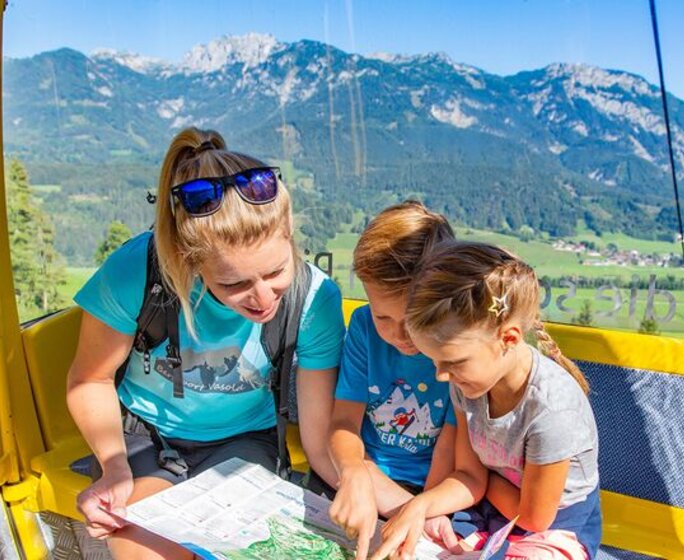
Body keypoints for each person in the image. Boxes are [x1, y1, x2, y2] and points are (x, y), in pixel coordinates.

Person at [66, 127, 345, 559]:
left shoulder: (312, 299)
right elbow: (91, 379)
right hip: (147, 438)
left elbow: (318, 439)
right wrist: (113, 465)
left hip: (245, 440)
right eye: (234, 284)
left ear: (290, 235)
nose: (263, 298)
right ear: (188, 261)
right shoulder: (135, 273)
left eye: (276, 272)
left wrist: (376, 498)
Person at [373, 241, 601, 560]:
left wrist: (482, 481)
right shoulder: (467, 385)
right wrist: (419, 506)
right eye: (435, 361)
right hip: (488, 513)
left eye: (454, 361)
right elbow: (468, 475)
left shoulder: (552, 409)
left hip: (553, 527)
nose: (441, 375)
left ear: (508, 338)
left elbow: (534, 517)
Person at [328, 201, 460, 560]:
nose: (398, 335)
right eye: (383, 317)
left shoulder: (455, 348)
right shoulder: (363, 328)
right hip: (363, 473)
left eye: (412, 319)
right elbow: (343, 422)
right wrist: (353, 471)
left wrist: (426, 510)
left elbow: (449, 447)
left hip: (428, 491)